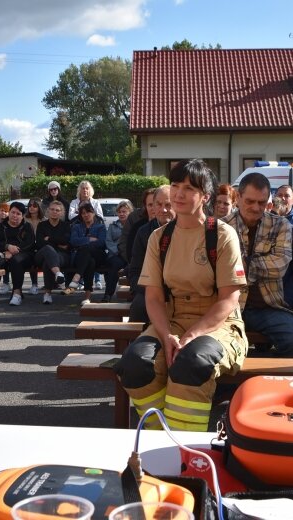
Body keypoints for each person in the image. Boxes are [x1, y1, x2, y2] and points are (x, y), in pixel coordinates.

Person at [114, 159, 247, 431]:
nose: (179, 194)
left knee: (191, 363)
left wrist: (191, 336)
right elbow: (152, 298)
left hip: (218, 324)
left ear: (205, 196)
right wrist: (167, 336)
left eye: (189, 188)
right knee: (134, 365)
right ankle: (158, 434)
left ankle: (186, 449)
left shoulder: (222, 235)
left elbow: (228, 299)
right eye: (175, 186)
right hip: (172, 319)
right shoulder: (159, 238)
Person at [223, 173, 293, 357]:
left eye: (261, 203)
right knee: (216, 345)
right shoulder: (221, 227)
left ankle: (267, 377)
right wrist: (258, 266)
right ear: (237, 197)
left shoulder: (280, 225)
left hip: (268, 306)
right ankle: (235, 382)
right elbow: (215, 270)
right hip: (228, 306)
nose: (256, 208)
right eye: (250, 201)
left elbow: (279, 266)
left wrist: (240, 267)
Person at [128, 186, 171, 324]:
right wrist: (150, 290)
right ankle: (138, 344)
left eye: (168, 205)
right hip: (149, 288)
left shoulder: (187, 230)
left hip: (180, 291)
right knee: (140, 306)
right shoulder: (143, 232)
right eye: (158, 204)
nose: (163, 210)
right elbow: (134, 270)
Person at [0, 201, 35, 306]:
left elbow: (30, 243)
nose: (15, 216)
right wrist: (7, 247)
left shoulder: (27, 226)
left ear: (22, 216)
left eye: (18, 214)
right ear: (9, 213)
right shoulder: (0, 226)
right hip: (4, 253)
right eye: (13, 212)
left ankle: (17, 294)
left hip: (24, 255)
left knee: (16, 261)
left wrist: (14, 251)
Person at [66, 202, 106, 305]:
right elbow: (73, 241)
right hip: (80, 258)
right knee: (89, 261)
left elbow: (101, 243)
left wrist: (83, 242)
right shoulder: (77, 227)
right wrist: (90, 239)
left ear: (93, 213)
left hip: (99, 256)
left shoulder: (100, 227)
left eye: (88, 212)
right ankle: (87, 297)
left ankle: (77, 277)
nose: (86, 215)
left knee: (88, 251)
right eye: (83, 213)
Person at [34, 200, 70, 304]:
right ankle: (58, 273)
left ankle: (47, 294)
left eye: (57, 210)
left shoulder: (66, 226)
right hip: (42, 254)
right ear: (48, 211)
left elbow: (66, 241)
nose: (55, 212)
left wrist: (49, 239)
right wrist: (58, 242)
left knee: (48, 262)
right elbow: (40, 243)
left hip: (61, 256)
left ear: (62, 213)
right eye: (52, 209)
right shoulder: (42, 225)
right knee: (48, 249)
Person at [103, 200, 133, 302]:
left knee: (133, 266)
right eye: (119, 212)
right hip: (116, 254)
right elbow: (108, 241)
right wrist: (118, 251)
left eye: (124, 211)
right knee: (114, 266)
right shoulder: (112, 226)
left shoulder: (133, 226)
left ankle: (132, 294)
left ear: (130, 212)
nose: (121, 214)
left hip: (129, 254)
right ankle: (108, 294)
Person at [124, 187, 157, 265]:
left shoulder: (172, 226)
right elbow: (130, 253)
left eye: (157, 204)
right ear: (145, 207)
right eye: (150, 205)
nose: (154, 208)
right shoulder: (138, 228)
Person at [24, 198, 44, 294]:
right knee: (30, 257)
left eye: (34, 205)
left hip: (41, 247)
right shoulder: (24, 219)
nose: (31, 207)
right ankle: (34, 284)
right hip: (28, 247)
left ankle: (49, 285)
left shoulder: (44, 220)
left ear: (39, 207)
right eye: (30, 205)